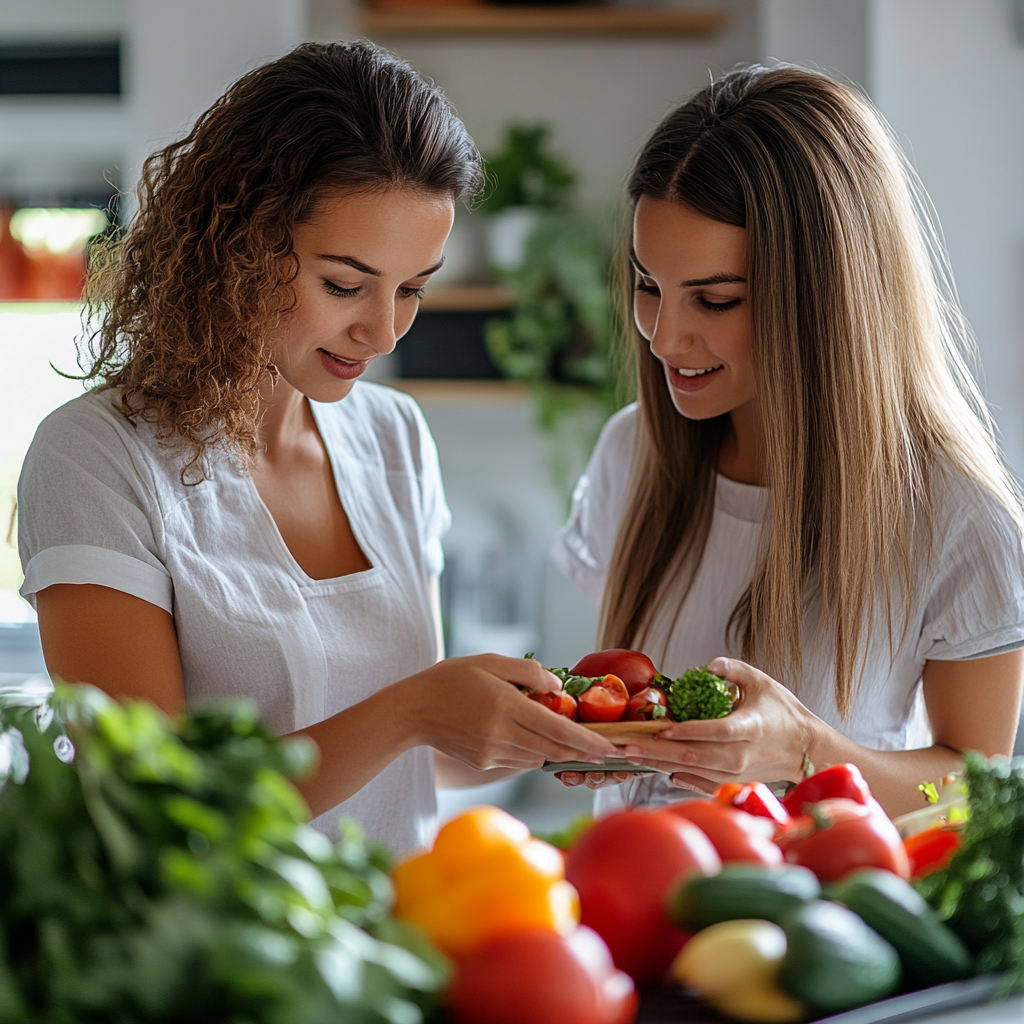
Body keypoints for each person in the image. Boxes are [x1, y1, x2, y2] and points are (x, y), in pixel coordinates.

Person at [17, 41, 616, 856]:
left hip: (402, 945)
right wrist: (413, 708)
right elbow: (152, 811)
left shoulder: (393, 435)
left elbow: (407, 767)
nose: (383, 331)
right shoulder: (96, 457)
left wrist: (558, 734)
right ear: (235, 246)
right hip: (240, 970)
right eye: (344, 285)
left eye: (413, 288)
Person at [552, 65, 1024, 817]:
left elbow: (976, 793)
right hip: (628, 916)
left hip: (817, 923)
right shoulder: (631, 454)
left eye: (715, 299)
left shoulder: (956, 515)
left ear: (826, 297)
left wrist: (807, 751)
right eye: (648, 285)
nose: (665, 337)